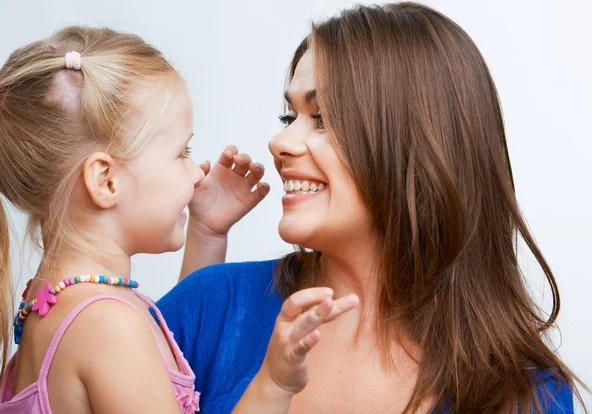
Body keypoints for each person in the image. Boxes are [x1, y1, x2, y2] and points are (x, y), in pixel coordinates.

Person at [158, 3, 585, 412]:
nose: (279, 143)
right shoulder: (210, 306)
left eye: (323, 118)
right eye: (290, 118)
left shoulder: (526, 394)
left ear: (415, 146)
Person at [0, 26, 357, 413]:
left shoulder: (48, 302)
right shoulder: (110, 326)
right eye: (182, 152)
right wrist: (274, 382)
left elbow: (170, 352)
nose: (197, 173)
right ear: (106, 181)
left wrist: (206, 233)